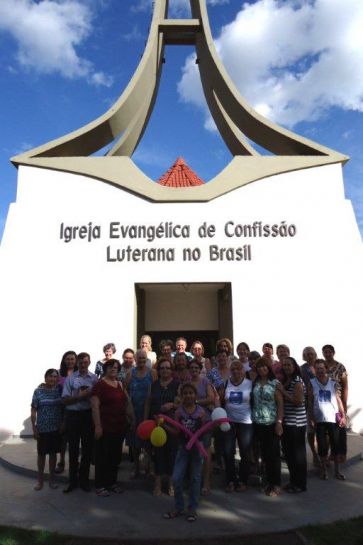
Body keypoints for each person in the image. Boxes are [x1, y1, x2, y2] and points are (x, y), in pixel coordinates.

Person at [91, 359, 135, 497]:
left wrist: (132, 418)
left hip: (119, 426)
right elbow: (94, 406)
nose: (113, 369)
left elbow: (127, 402)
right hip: (105, 427)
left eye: (116, 367)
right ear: (105, 369)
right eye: (111, 367)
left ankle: (112, 483)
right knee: (103, 457)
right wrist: (98, 426)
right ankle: (100, 485)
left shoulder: (120, 384)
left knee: (115, 457)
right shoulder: (100, 385)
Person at [163, 383, 206, 522]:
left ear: (195, 395)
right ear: (182, 396)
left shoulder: (201, 412)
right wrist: (163, 424)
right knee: (176, 478)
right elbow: (176, 431)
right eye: (185, 393)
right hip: (183, 448)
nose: (188, 395)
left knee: (195, 479)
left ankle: (192, 508)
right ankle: (179, 507)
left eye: (191, 393)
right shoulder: (178, 412)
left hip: (197, 449)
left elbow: (205, 430)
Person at [62, 352, 98, 493]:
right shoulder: (70, 379)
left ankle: (84, 481)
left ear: (89, 363)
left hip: (88, 416)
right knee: (73, 450)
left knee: (87, 450)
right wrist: (80, 396)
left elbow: (97, 400)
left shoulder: (94, 379)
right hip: (73, 416)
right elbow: (64, 400)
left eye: (85, 362)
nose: (83, 365)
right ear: (77, 363)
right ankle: (72, 481)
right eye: (81, 362)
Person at [144, 358, 179, 496]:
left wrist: (172, 405)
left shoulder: (177, 385)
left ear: (172, 370)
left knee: (172, 453)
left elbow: (182, 403)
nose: (165, 370)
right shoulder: (153, 385)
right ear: (158, 370)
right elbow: (148, 402)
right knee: (157, 453)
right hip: (155, 423)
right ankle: (158, 484)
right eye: (162, 368)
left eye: (167, 368)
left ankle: (171, 484)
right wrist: (145, 420)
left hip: (171, 423)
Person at [308, 360, 347, 480]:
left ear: (326, 369)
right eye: (317, 368)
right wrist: (311, 417)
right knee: (322, 446)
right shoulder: (311, 382)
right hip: (319, 419)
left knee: (335, 446)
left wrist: (343, 415)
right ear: (315, 369)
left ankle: (337, 471)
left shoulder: (332, 382)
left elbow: (338, 399)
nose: (320, 370)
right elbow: (309, 400)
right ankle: (323, 470)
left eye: (322, 368)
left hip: (332, 418)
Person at [252, 357, 283, 497]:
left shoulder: (275, 383)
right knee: (264, 454)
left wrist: (279, 422)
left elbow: (280, 404)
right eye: (259, 367)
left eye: (264, 367)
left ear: (268, 368)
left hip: (271, 423)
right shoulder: (256, 383)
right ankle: (268, 481)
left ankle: (276, 484)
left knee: (274, 455)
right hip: (258, 423)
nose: (262, 369)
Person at [221, 359, 253, 493]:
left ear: (243, 370)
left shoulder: (250, 384)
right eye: (233, 369)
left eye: (238, 368)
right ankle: (230, 480)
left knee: (245, 453)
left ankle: (243, 480)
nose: (235, 371)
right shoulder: (227, 382)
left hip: (246, 422)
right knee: (228, 452)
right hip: (229, 422)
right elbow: (222, 399)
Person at [125, 349, 157, 477]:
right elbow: (125, 390)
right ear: (135, 360)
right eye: (139, 359)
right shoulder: (130, 373)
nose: (142, 361)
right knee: (134, 443)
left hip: (148, 412)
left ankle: (148, 467)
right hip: (134, 411)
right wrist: (128, 408)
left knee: (148, 443)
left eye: (144, 358)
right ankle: (136, 467)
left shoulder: (152, 373)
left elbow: (156, 390)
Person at [31, 369, 63, 491]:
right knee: (41, 455)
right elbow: (33, 410)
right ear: (45, 377)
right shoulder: (38, 391)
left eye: (55, 377)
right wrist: (34, 427)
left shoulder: (59, 390)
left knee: (53, 455)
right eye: (50, 376)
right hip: (42, 428)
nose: (53, 379)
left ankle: (51, 480)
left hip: (56, 428)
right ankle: (40, 481)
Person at [279, 357, 307, 493]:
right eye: (284, 365)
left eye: (288, 365)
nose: (286, 367)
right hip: (287, 423)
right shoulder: (286, 380)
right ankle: (293, 481)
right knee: (289, 454)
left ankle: (300, 484)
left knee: (298, 456)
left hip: (297, 423)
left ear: (294, 366)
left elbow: (298, 401)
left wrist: (283, 392)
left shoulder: (297, 381)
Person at [188, 359, 215, 495]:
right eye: (191, 368)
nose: (194, 370)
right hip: (190, 422)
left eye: (196, 368)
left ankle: (206, 482)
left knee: (205, 451)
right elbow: (180, 399)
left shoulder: (206, 382)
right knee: (192, 452)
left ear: (200, 369)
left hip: (205, 421)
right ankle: (194, 481)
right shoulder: (186, 384)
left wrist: (196, 401)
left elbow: (211, 398)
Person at [322, 344, 348, 461]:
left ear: (333, 353)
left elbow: (345, 386)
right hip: (324, 402)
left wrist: (344, 402)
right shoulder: (321, 366)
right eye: (325, 352)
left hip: (337, 402)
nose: (327, 354)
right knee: (328, 430)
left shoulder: (340, 367)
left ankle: (341, 453)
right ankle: (330, 453)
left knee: (339, 428)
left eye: (329, 352)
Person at [56, 350, 78, 474]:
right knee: (62, 437)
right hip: (61, 408)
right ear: (64, 360)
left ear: (76, 361)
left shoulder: (79, 373)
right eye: (68, 359)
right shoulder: (59, 374)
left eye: (72, 359)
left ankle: (74, 463)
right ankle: (61, 461)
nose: (70, 361)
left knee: (74, 437)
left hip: (75, 407)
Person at [300, 346, 319, 465]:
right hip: (308, 403)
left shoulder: (321, 365)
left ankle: (323, 453)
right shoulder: (301, 369)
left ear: (315, 354)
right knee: (311, 430)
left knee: (323, 431)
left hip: (322, 402)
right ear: (304, 356)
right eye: (307, 354)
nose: (309, 356)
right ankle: (315, 454)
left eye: (311, 353)